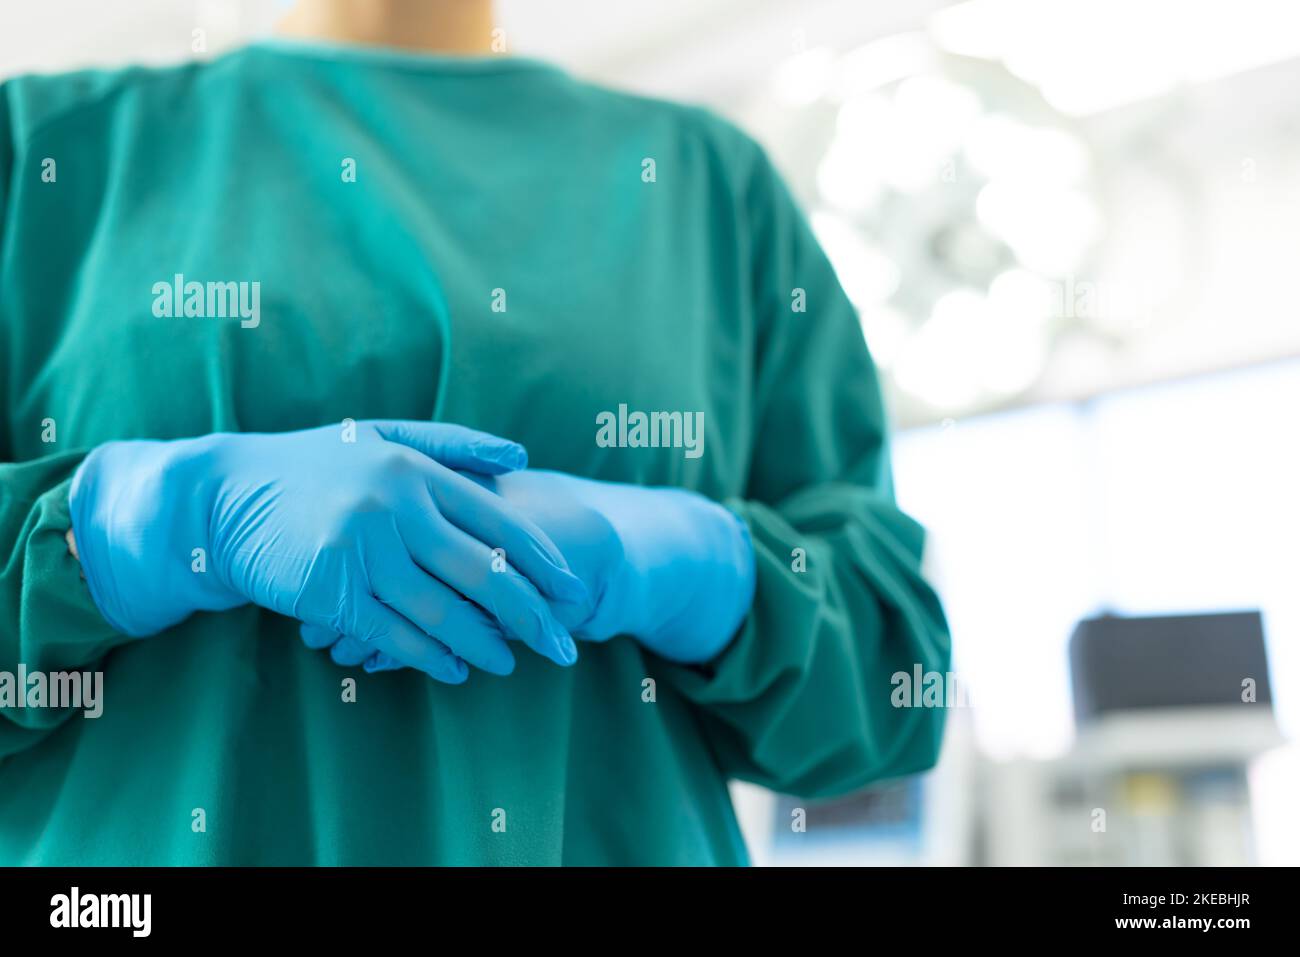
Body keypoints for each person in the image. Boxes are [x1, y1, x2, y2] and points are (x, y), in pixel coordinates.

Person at [0, 0, 951, 865]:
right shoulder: (39, 153)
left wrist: (686, 562)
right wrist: (152, 524)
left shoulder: (713, 187)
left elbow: (890, 681)